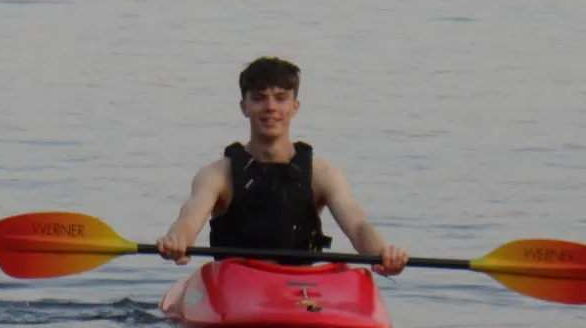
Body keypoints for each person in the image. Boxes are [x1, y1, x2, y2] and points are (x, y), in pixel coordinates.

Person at [155, 56, 410, 277]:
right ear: (244, 107)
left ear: (294, 107)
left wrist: (381, 253)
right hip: (235, 286)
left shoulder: (323, 175)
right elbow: (189, 219)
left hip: (299, 288)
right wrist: (178, 240)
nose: (271, 108)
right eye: (259, 98)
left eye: (281, 98)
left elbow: (357, 226)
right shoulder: (217, 175)